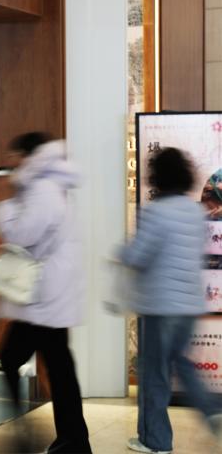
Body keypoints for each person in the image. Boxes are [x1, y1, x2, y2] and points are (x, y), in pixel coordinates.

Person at [0, 132, 92, 453]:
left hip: (43, 297)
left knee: (12, 360)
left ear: (27, 156)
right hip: (51, 295)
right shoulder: (51, 185)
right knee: (60, 368)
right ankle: (72, 440)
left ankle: (30, 436)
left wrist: (3, 206)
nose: (10, 163)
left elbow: (21, 233)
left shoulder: (42, 189)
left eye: (14, 156)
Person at [121, 148, 222, 454]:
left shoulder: (156, 212)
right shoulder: (193, 212)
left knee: (154, 374)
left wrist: (120, 253)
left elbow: (138, 256)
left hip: (160, 306)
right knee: (181, 363)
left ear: (158, 176)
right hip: (189, 305)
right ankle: (211, 409)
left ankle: (156, 441)